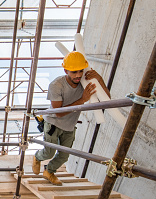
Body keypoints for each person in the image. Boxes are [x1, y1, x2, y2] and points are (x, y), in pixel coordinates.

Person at [33, 51, 110, 185]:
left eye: (80, 71)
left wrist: (99, 79)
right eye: (74, 72)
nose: (78, 75)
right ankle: (37, 157)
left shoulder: (84, 82)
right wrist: (82, 100)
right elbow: (58, 113)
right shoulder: (56, 85)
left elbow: (107, 99)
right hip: (53, 124)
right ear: (66, 70)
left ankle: (49, 171)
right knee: (49, 153)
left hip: (69, 125)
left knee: (64, 156)